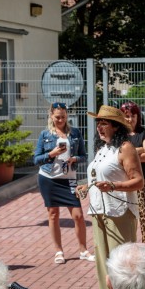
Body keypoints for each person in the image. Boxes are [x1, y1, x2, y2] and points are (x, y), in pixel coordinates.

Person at [76, 105, 144, 289]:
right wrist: (87, 186)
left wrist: (114, 186)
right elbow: (102, 177)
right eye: (98, 123)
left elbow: (138, 181)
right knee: (104, 265)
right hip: (98, 213)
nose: (99, 127)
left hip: (120, 212)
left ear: (115, 126)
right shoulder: (102, 150)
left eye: (104, 123)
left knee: (121, 265)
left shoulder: (126, 148)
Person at [33, 101, 93, 265]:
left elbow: (83, 155)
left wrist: (75, 158)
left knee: (78, 216)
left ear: (67, 116)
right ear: (51, 116)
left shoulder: (75, 133)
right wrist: (51, 154)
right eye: (57, 117)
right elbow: (36, 159)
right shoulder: (45, 135)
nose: (60, 120)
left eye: (63, 117)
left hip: (69, 179)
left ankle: (83, 250)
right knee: (53, 215)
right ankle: (58, 251)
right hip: (49, 178)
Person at [121, 101, 145, 245]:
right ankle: (129, 244)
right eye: (126, 116)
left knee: (144, 214)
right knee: (126, 213)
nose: (130, 119)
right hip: (124, 179)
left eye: (133, 116)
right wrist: (139, 150)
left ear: (138, 116)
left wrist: (129, 154)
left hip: (144, 179)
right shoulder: (120, 135)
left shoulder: (144, 133)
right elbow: (117, 156)